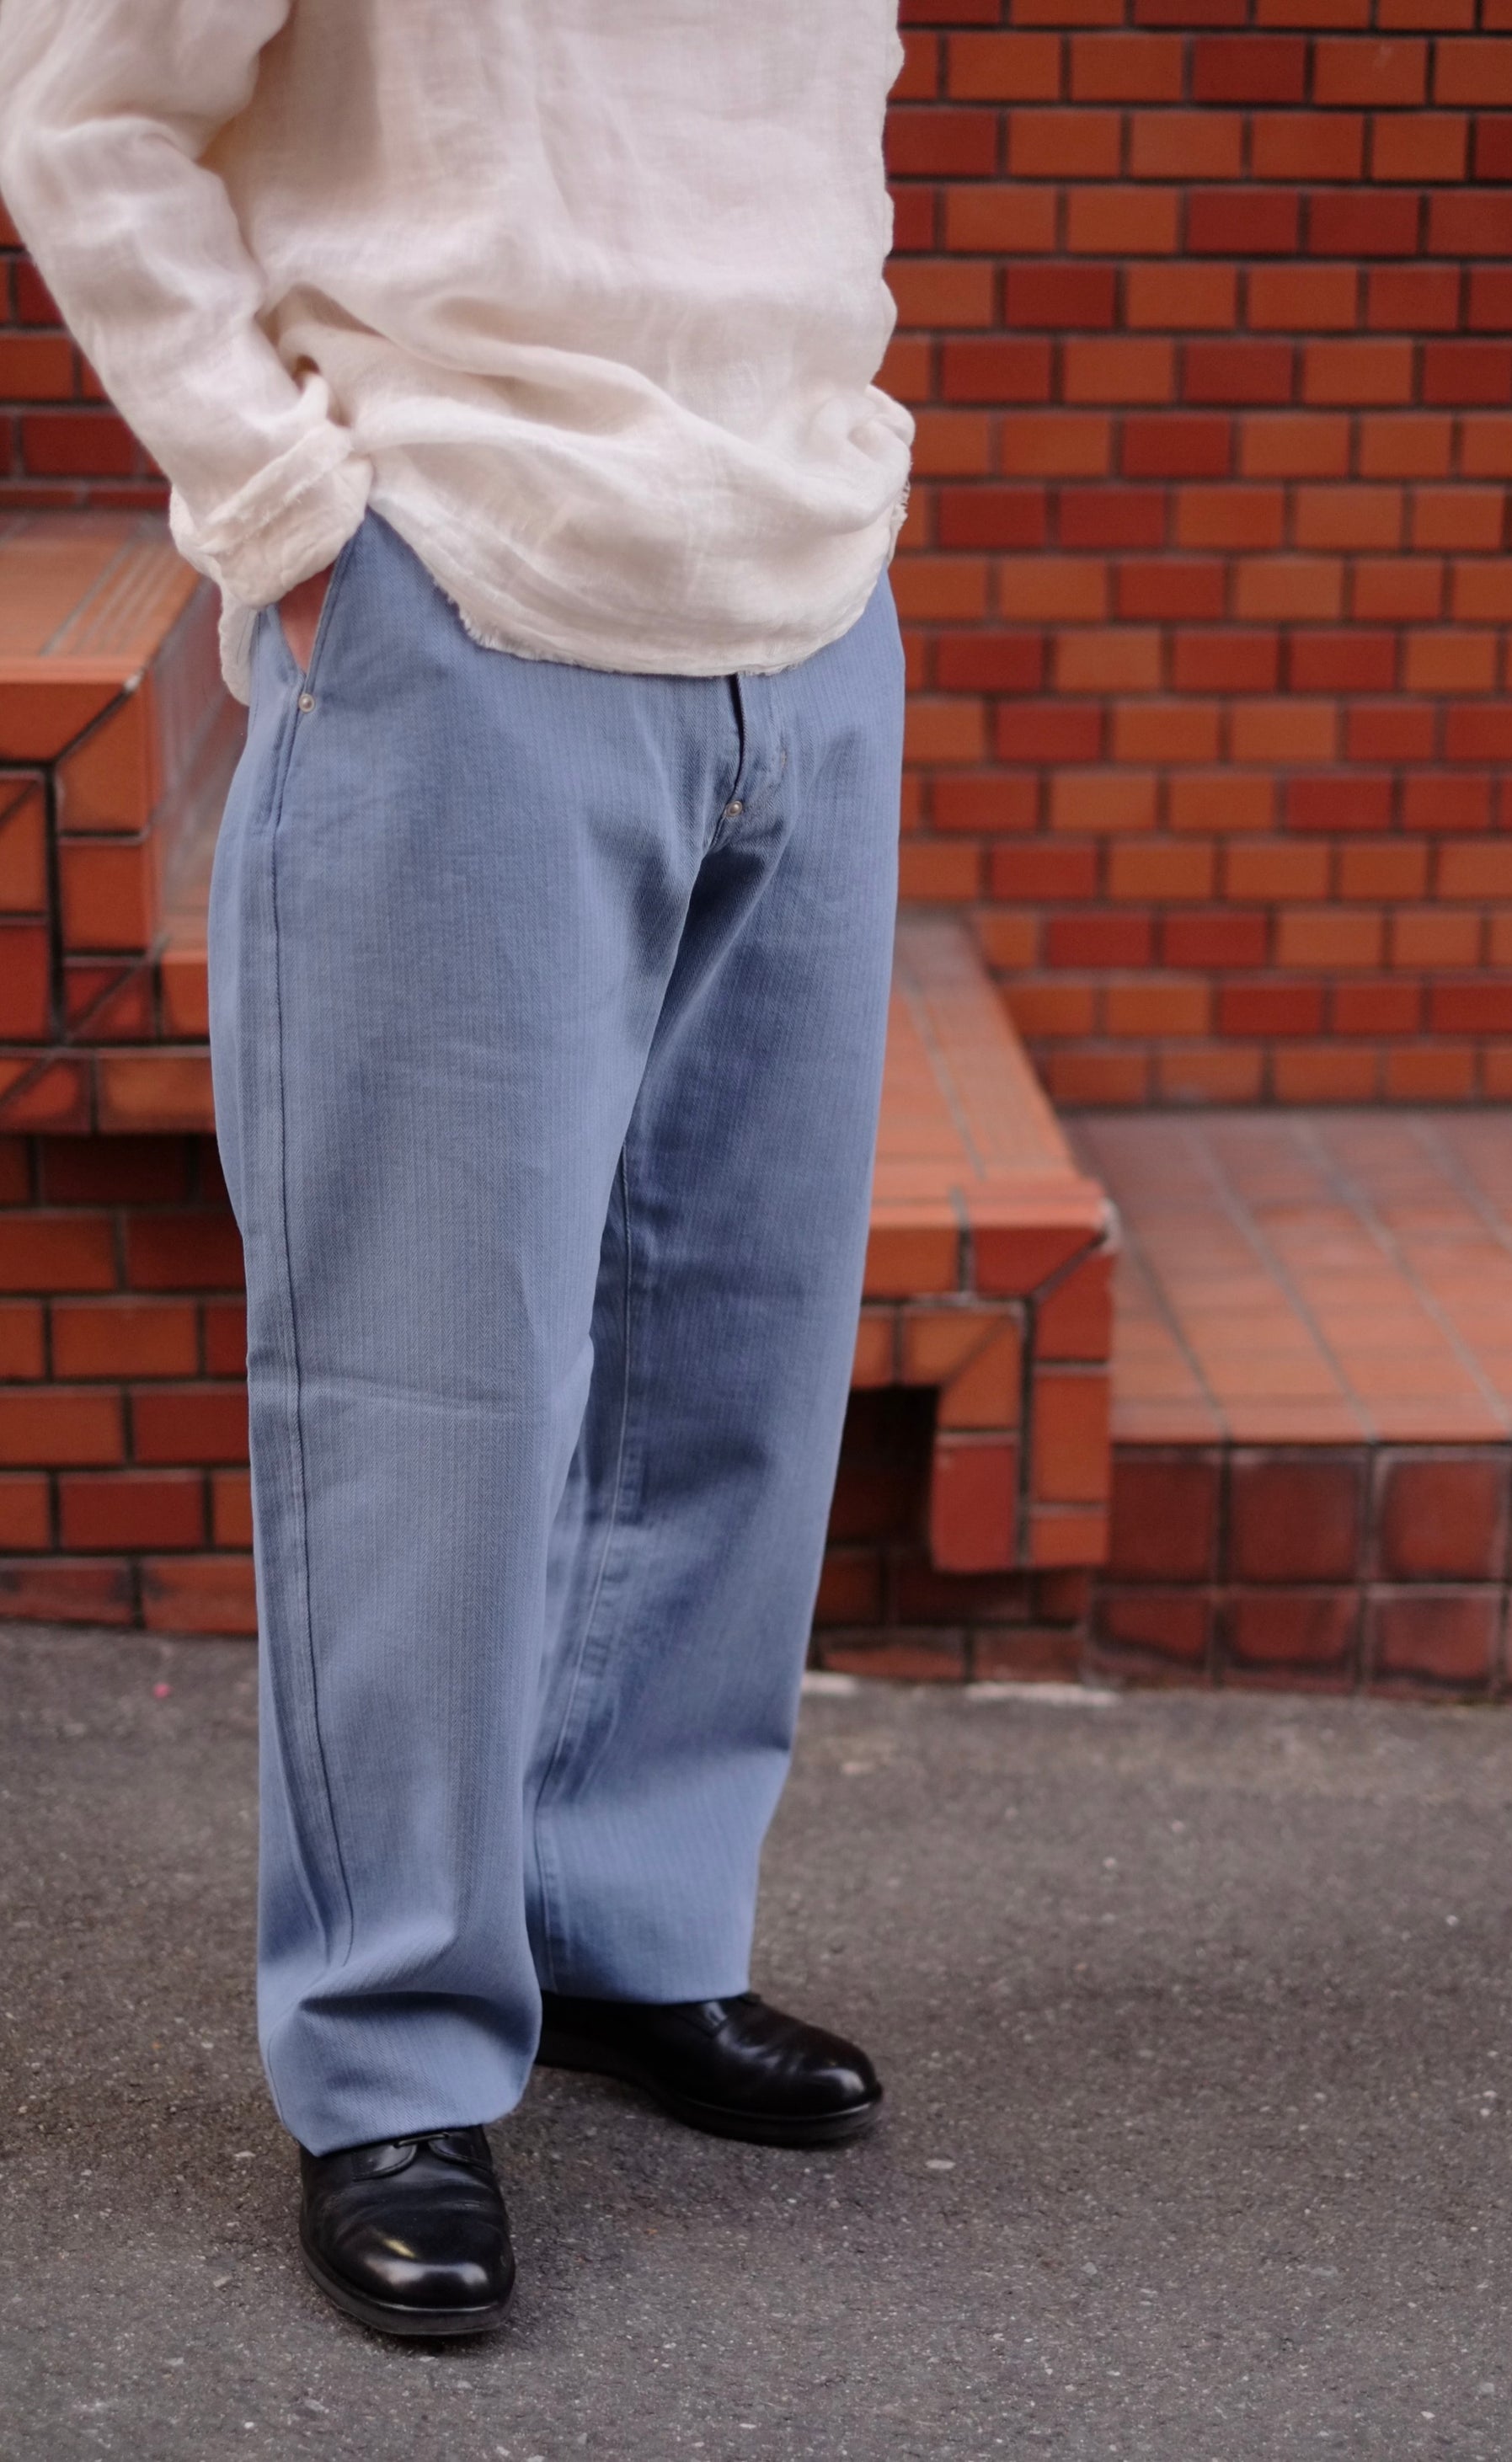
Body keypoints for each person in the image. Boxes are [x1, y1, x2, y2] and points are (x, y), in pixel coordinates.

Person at [0, 0, 912, 2338]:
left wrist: (827, 441)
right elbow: (79, 104)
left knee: (737, 1354)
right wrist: (286, 515)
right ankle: (392, 2053)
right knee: (428, 1392)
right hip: (461, 585)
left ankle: (626, 1926)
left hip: (807, 604)